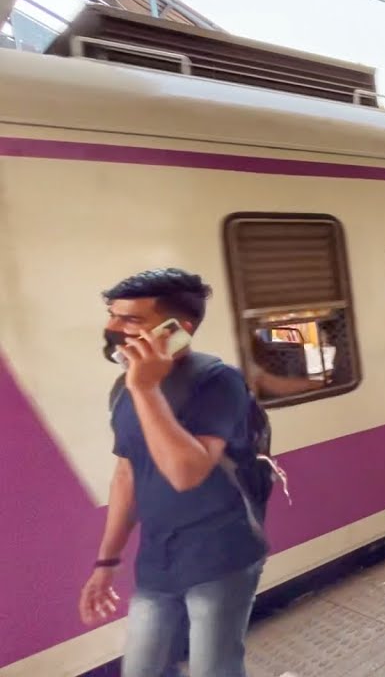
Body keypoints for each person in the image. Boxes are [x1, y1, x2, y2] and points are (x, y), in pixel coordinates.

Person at [80, 268, 265, 677]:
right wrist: (106, 562)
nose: (112, 328)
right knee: (143, 670)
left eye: (130, 319)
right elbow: (127, 475)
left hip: (221, 556)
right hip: (158, 559)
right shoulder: (124, 388)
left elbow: (186, 472)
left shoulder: (218, 382)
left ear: (176, 329)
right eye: (112, 315)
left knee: (213, 668)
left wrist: (146, 390)